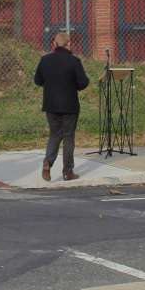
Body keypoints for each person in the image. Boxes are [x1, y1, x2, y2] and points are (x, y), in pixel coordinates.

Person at [34, 32, 90, 182]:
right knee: (68, 137)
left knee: (55, 134)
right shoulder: (74, 61)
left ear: (55, 44)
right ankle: (68, 172)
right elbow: (83, 82)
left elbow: (37, 80)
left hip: (51, 105)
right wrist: (74, 85)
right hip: (70, 106)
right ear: (69, 44)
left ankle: (47, 163)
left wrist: (50, 83)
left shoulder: (45, 60)